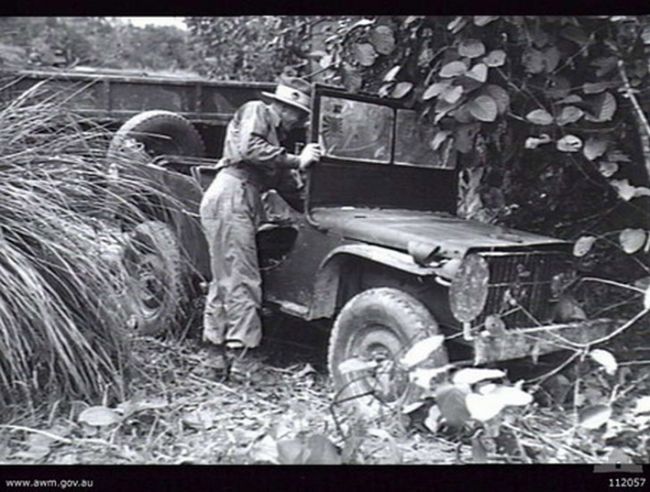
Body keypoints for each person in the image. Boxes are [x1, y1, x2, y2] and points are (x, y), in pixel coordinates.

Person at [200, 76, 321, 380]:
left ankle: (215, 355)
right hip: (232, 194)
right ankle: (243, 360)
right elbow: (249, 148)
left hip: (240, 197)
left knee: (226, 277)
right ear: (285, 107)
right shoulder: (257, 111)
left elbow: (287, 187)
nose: (300, 122)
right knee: (242, 279)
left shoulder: (276, 141)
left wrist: (312, 207)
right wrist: (297, 159)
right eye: (299, 114)